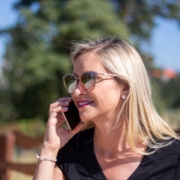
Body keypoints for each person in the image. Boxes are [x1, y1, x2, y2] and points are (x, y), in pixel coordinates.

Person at [33, 38, 180, 180]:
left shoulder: (174, 156)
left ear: (125, 87)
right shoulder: (70, 152)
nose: (76, 92)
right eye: (73, 80)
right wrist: (49, 149)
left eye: (88, 79)